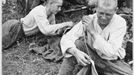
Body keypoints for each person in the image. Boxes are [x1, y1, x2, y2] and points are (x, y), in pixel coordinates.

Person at [58, 0, 132, 75]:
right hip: (91, 55)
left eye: (108, 15)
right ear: (96, 8)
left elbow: (110, 52)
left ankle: (95, 70)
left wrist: (93, 32)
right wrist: (75, 52)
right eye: (101, 13)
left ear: (115, 10)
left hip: (111, 62)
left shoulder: (120, 23)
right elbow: (67, 38)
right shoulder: (90, 19)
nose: (103, 17)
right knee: (77, 44)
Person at [2, 0, 73, 49]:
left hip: (24, 33)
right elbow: (46, 30)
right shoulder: (40, 11)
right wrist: (65, 24)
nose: (60, 9)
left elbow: (51, 30)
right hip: (14, 28)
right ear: (50, 4)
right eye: (58, 6)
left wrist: (60, 32)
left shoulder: (51, 15)